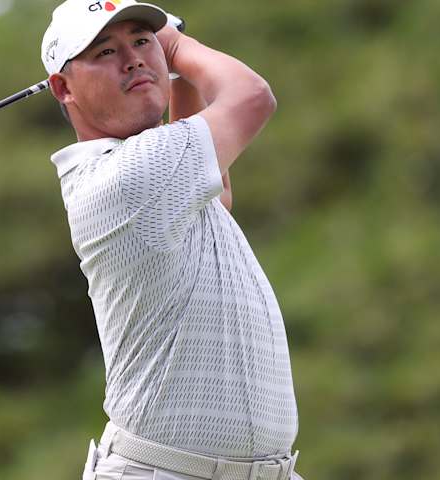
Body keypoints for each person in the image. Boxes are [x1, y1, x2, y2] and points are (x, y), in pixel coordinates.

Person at [41, 1, 301, 479]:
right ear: (63, 88)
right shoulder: (126, 178)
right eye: (106, 51)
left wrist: (174, 73)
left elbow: (217, 196)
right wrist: (175, 46)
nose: (134, 59)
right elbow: (251, 97)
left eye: (142, 42)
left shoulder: (158, 177)